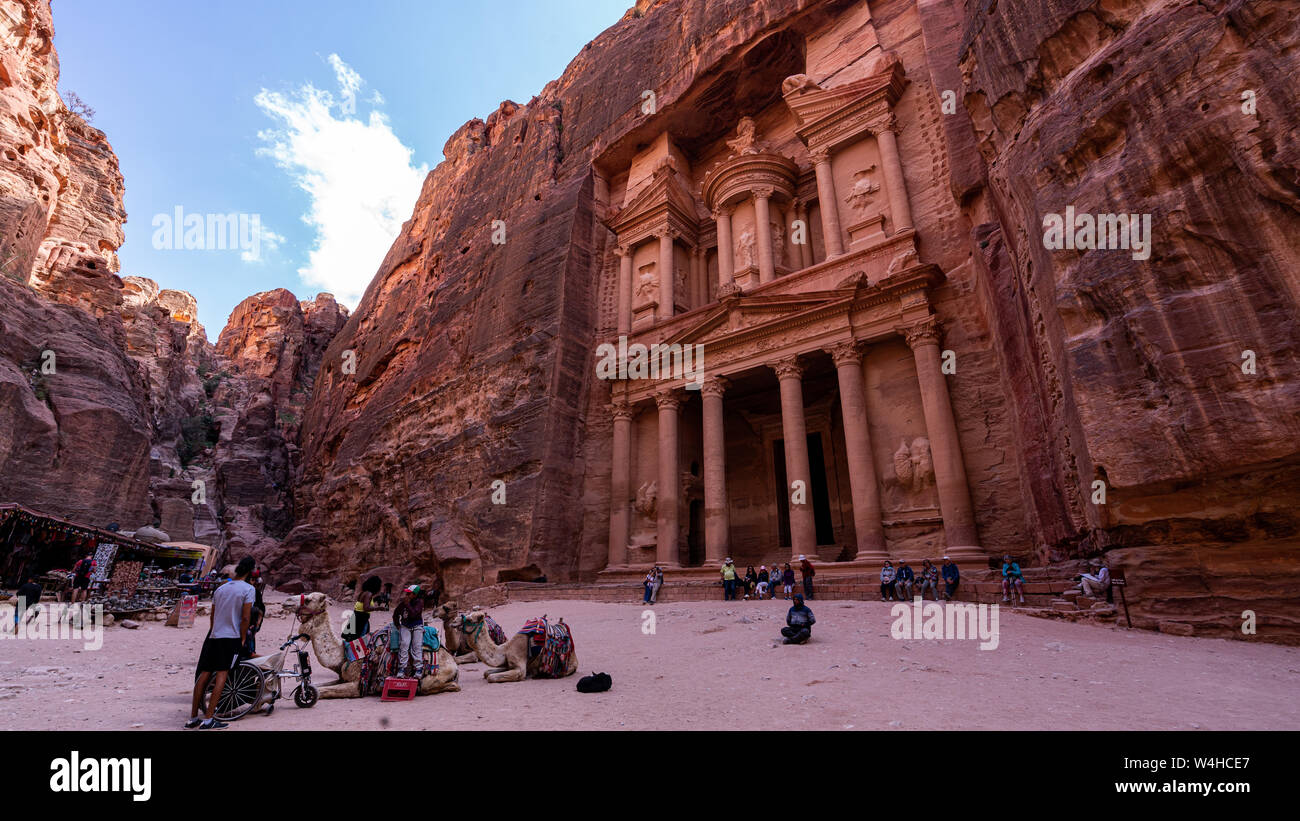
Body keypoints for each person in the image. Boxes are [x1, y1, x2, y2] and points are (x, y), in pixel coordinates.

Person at [187, 556, 256, 730]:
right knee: (221, 675)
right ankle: (209, 719)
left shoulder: (221, 589)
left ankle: (193, 718)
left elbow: (212, 615)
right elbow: (246, 617)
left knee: (204, 675)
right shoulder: (248, 589)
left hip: (215, 636)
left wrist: (214, 631)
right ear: (249, 571)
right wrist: (242, 638)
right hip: (231, 638)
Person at [393, 585, 425, 678]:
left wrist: (407, 604)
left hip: (417, 626)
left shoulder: (419, 602)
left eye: (409, 593)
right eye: (406, 593)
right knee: (404, 644)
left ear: (414, 595)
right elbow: (395, 614)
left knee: (417, 646)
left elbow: (414, 615)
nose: (406, 595)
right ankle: (402, 668)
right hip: (405, 626)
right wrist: (398, 625)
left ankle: (418, 668)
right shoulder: (403, 603)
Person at [345, 575, 382, 640]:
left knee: (351, 639)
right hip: (361, 620)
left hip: (356, 618)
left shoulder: (363, 593)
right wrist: (378, 608)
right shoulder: (368, 594)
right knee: (360, 641)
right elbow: (366, 608)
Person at [244, 571, 267, 655]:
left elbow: (260, 609)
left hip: (251, 623)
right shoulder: (249, 591)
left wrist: (257, 624)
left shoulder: (256, 593)